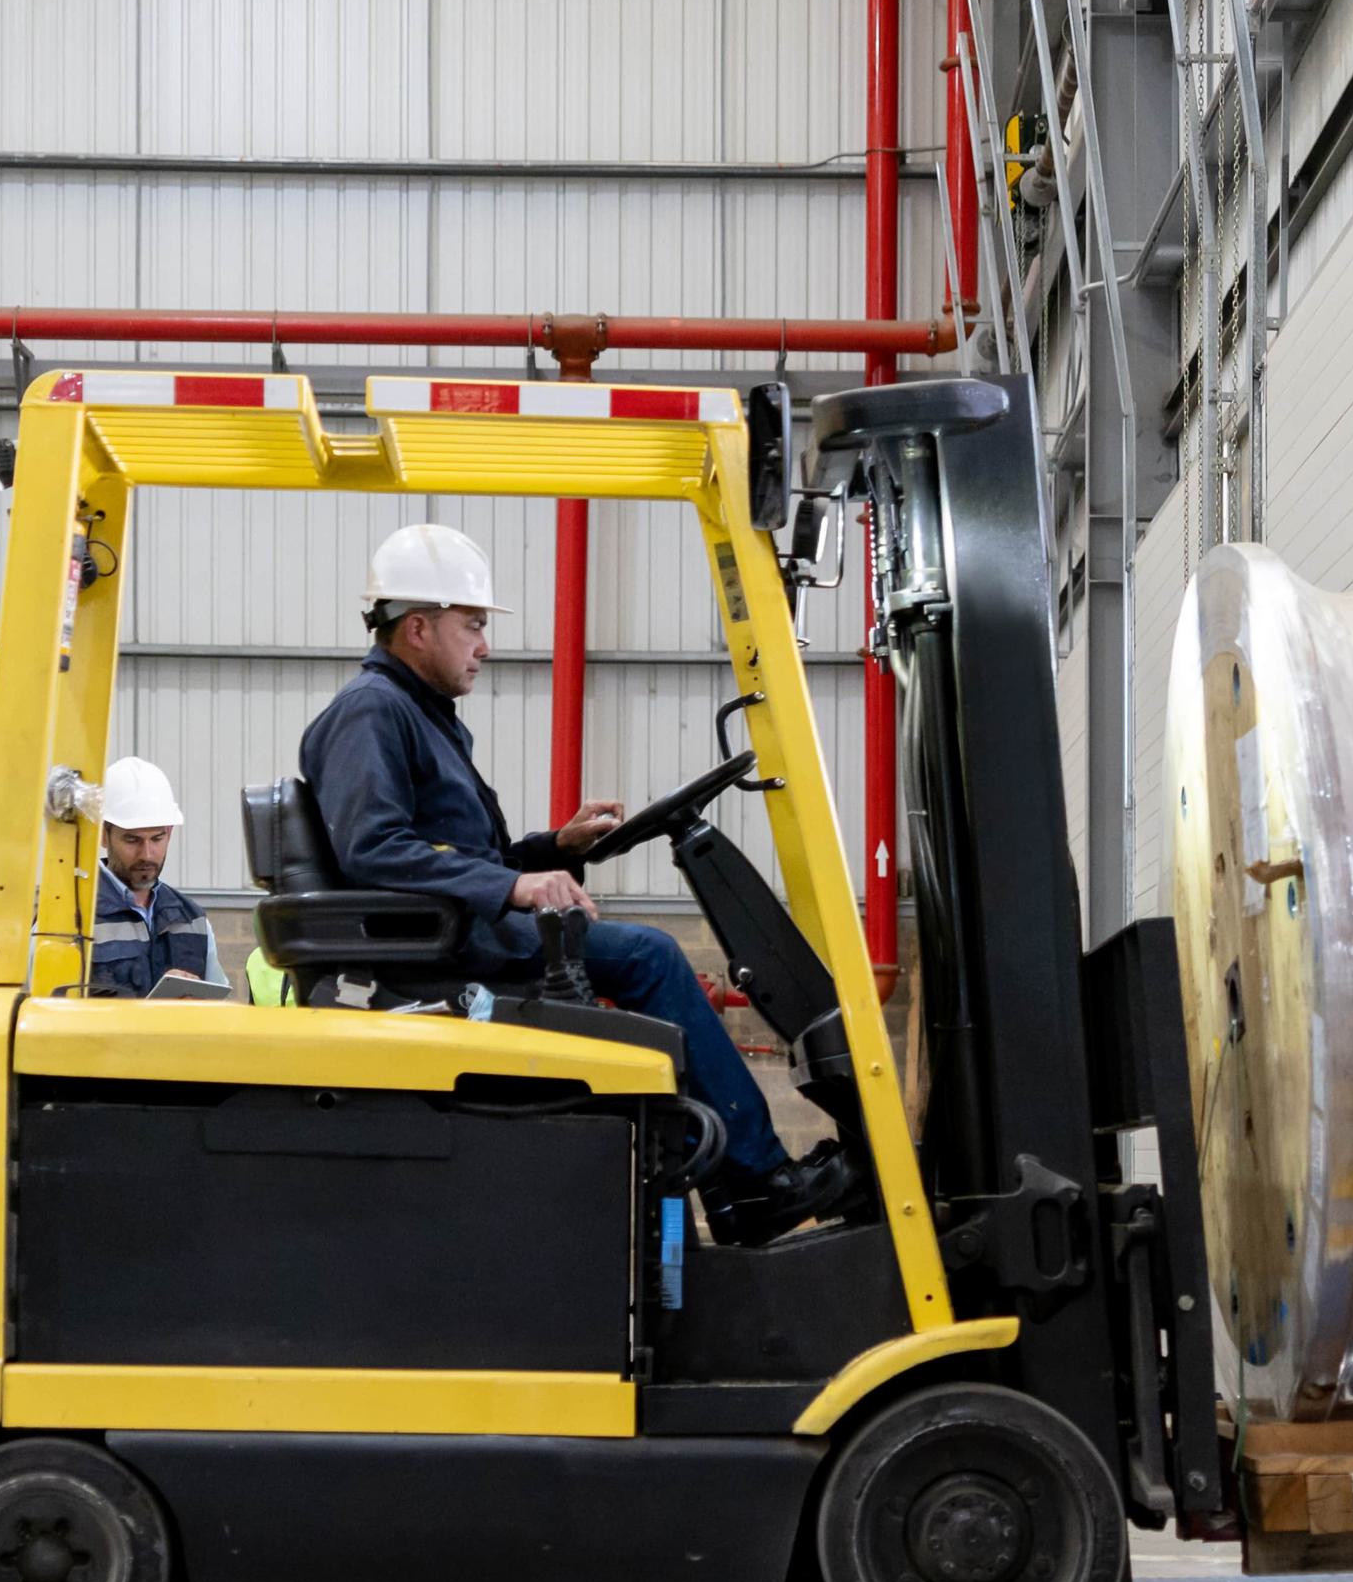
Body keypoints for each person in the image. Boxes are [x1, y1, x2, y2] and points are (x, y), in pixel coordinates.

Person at [301, 521, 857, 1245]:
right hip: (446, 956)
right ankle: (755, 1181)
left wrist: (552, 847)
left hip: (467, 933)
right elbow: (375, 846)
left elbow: (469, 852)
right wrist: (517, 889)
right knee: (651, 957)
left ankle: (729, 1190)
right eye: (471, 625)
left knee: (642, 960)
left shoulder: (422, 716)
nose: (485, 644)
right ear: (417, 627)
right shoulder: (374, 712)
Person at [88, 756, 224, 997]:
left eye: (157, 839)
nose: (147, 854)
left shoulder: (192, 920)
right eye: (132, 839)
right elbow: (48, 1018)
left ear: (169, 833)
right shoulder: (72, 917)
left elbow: (220, 1015)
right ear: (103, 835)